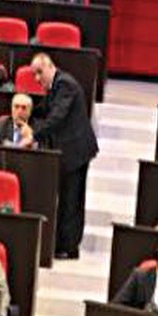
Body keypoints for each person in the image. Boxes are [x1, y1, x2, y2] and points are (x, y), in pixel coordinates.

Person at [21, 53, 98, 259]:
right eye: (34, 74)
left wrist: (34, 135)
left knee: (71, 200)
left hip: (76, 152)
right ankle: (63, 243)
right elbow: (45, 109)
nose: (37, 78)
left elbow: (57, 117)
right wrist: (26, 116)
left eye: (39, 72)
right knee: (66, 199)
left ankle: (69, 247)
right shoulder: (56, 85)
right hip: (68, 152)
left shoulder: (65, 85)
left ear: (50, 66)